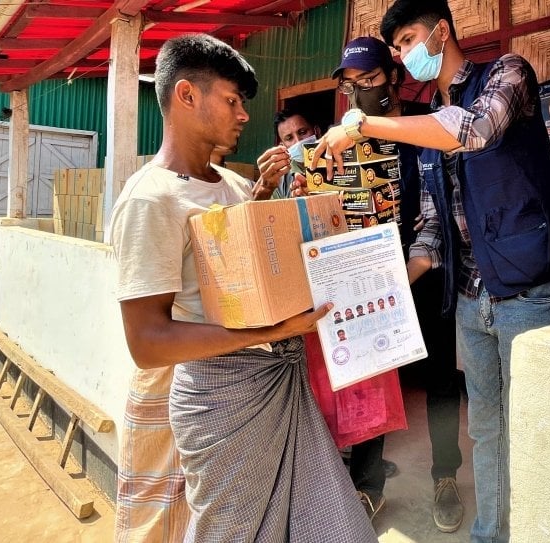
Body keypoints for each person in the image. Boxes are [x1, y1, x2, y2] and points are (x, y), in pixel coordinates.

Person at [313, 3, 550, 541]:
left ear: (441, 31)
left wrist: (362, 126)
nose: (407, 56)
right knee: (485, 426)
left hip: (527, 290)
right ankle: (488, 532)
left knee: (534, 426)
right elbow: (432, 229)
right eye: (400, 49)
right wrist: (386, 287)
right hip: (472, 297)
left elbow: (473, 131)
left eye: (409, 41)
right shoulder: (429, 114)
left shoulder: (507, 73)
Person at [109, 34, 376, 543]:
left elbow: (252, 277)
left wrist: (287, 211)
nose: (244, 115)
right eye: (232, 101)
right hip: (220, 403)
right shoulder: (150, 200)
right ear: (187, 96)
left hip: (276, 381)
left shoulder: (232, 184)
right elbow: (147, 342)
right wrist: (269, 329)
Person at [330, 35, 464, 533]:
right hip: (370, 280)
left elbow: (445, 204)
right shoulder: (345, 138)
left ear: (394, 77)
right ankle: (369, 487)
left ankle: (445, 475)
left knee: (441, 381)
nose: (362, 91)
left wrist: (417, 266)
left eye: (371, 80)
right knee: (372, 379)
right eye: (353, 84)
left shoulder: (420, 126)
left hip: (428, 271)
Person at [255, 108, 322, 199]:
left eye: (302, 132)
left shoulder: (339, 161)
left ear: (317, 131)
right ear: (283, 146)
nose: (298, 141)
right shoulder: (279, 179)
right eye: (289, 138)